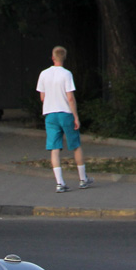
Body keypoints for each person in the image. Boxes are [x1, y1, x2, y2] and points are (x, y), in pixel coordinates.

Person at [37, 46, 92, 193]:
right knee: (75, 145)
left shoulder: (43, 74)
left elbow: (42, 97)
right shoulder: (66, 74)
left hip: (50, 114)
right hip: (66, 113)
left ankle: (60, 183)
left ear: (52, 57)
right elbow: (70, 98)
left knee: (54, 148)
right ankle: (82, 179)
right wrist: (76, 116)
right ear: (64, 58)